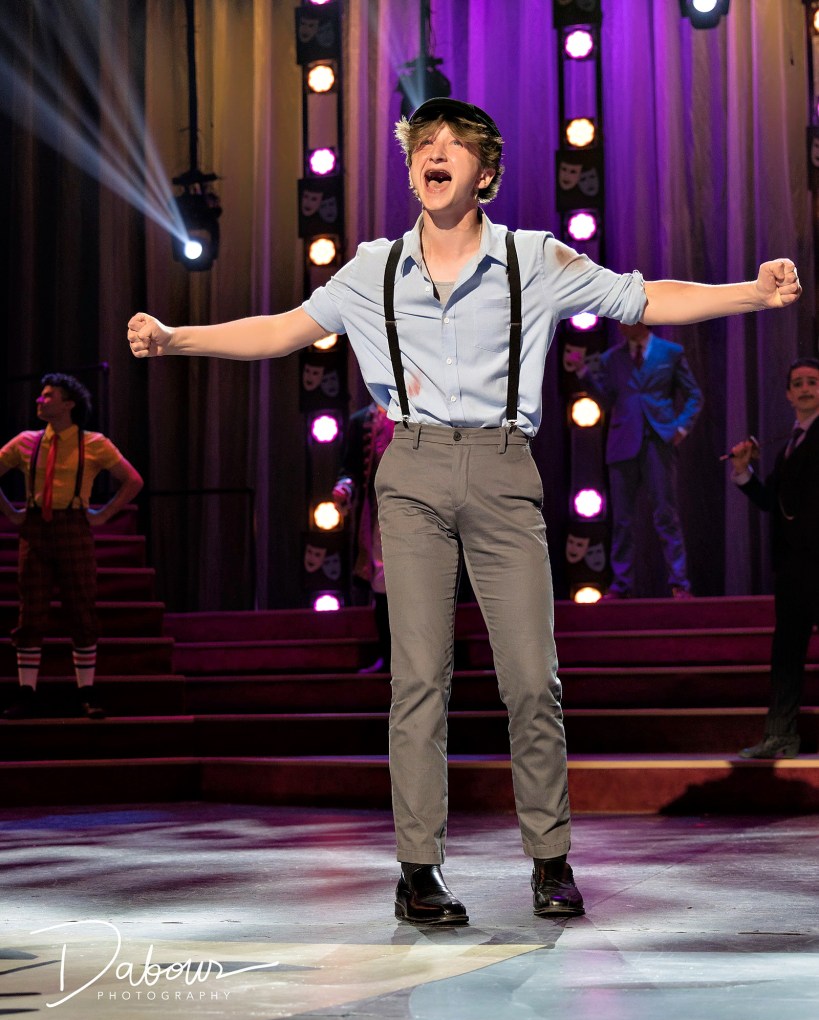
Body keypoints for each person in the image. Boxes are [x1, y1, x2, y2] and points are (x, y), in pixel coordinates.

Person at [128, 98, 801, 924]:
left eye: (454, 146)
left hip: (501, 466)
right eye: (423, 144)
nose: (434, 154)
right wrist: (173, 337)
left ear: (484, 172)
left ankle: (549, 859)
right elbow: (281, 330)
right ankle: (418, 871)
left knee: (530, 678)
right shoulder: (372, 268)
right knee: (418, 678)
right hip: (406, 468)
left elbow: (641, 297)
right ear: (411, 165)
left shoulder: (531, 258)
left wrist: (752, 293)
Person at [0, 373, 144, 720]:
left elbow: (133, 480)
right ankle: (26, 692)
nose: (40, 400)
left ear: (69, 404)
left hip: (73, 526)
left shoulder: (94, 443)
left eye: (48, 396)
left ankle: (86, 691)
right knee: (31, 610)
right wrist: (12, 513)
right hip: (35, 529)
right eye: (41, 395)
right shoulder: (25, 442)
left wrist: (103, 514)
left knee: (81, 606)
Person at [568, 320, 703, 598]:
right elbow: (606, 397)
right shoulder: (611, 358)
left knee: (666, 514)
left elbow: (693, 395)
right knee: (622, 519)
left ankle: (679, 582)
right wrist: (583, 372)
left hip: (658, 440)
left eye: (624, 320)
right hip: (622, 442)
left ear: (641, 320)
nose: (620, 326)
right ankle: (621, 584)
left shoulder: (670, 352)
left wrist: (681, 427)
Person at [727, 357, 819, 759]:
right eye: (797, 383)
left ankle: (781, 737)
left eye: (813, 382)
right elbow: (774, 503)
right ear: (787, 394)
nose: (804, 388)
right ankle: (780, 737)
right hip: (795, 569)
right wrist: (745, 473)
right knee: (786, 654)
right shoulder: (789, 445)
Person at [333, 401, 395, 674]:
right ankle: (389, 658)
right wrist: (344, 487)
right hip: (380, 517)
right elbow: (351, 469)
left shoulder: (422, 414)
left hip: (422, 514)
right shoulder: (363, 421)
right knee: (382, 589)